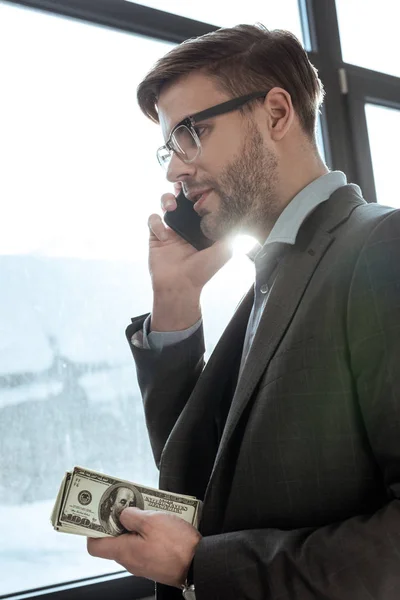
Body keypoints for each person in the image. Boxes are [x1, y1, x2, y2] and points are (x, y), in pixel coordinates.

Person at [87, 24, 400, 599]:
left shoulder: (383, 246)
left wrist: (202, 567)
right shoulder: (268, 282)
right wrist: (176, 301)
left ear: (276, 114)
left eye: (192, 134)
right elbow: (198, 476)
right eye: (169, 147)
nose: (174, 171)